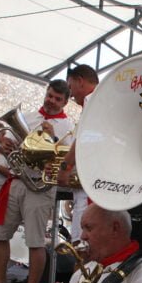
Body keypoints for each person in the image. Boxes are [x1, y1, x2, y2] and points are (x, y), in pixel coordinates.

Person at [0, 80, 74, 283]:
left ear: (65, 102)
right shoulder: (29, 117)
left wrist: (51, 139)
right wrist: (4, 144)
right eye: (50, 95)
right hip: (17, 180)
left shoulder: (67, 127)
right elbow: (9, 143)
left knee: (35, 240)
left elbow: (65, 157)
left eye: (57, 99)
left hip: (41, 186)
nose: (51, 101)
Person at [57, 64, 99, 242]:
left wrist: (65, 167)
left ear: (80, 81)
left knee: (81, 244)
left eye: (70, 86)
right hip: (89, 186)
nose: (70, 93)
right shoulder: (97, 102)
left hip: (90, 188)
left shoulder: (94, 101)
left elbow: (83, 139)